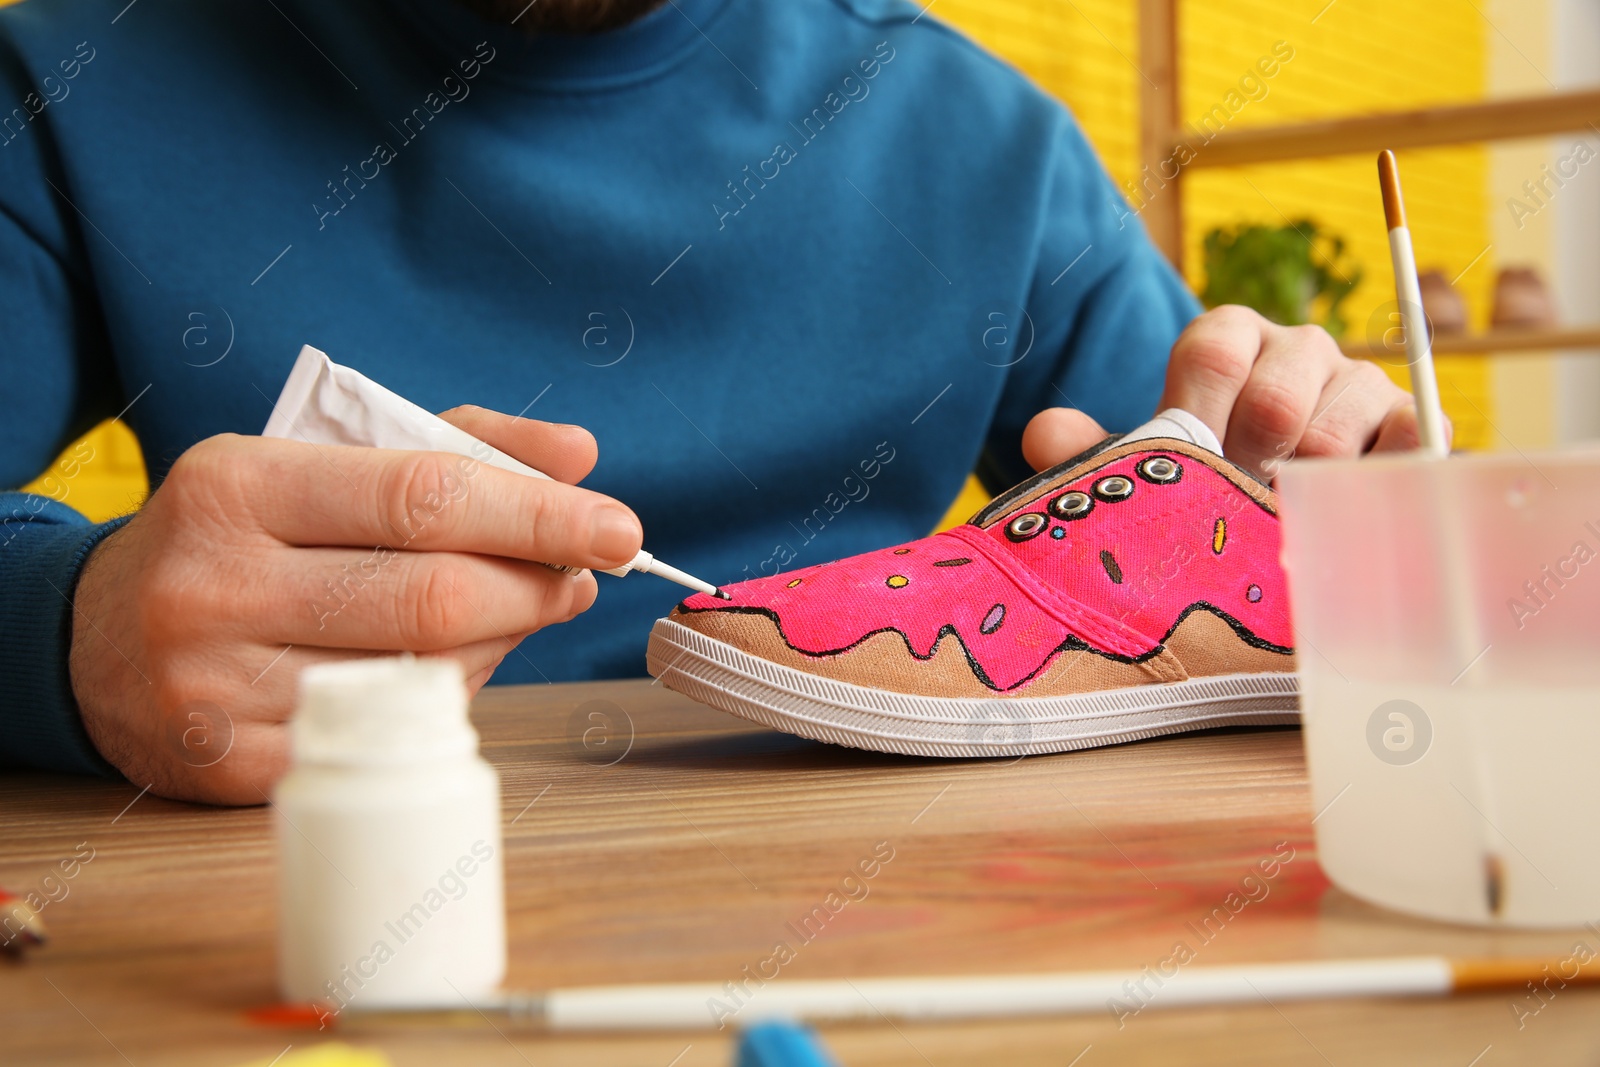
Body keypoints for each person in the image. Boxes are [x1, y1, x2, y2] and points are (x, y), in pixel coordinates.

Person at [0, 0, 1437, 804]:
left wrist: (1386, 526)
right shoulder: (69, 79)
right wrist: (70, 630)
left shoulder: (987, 148)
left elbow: (1266, 548)